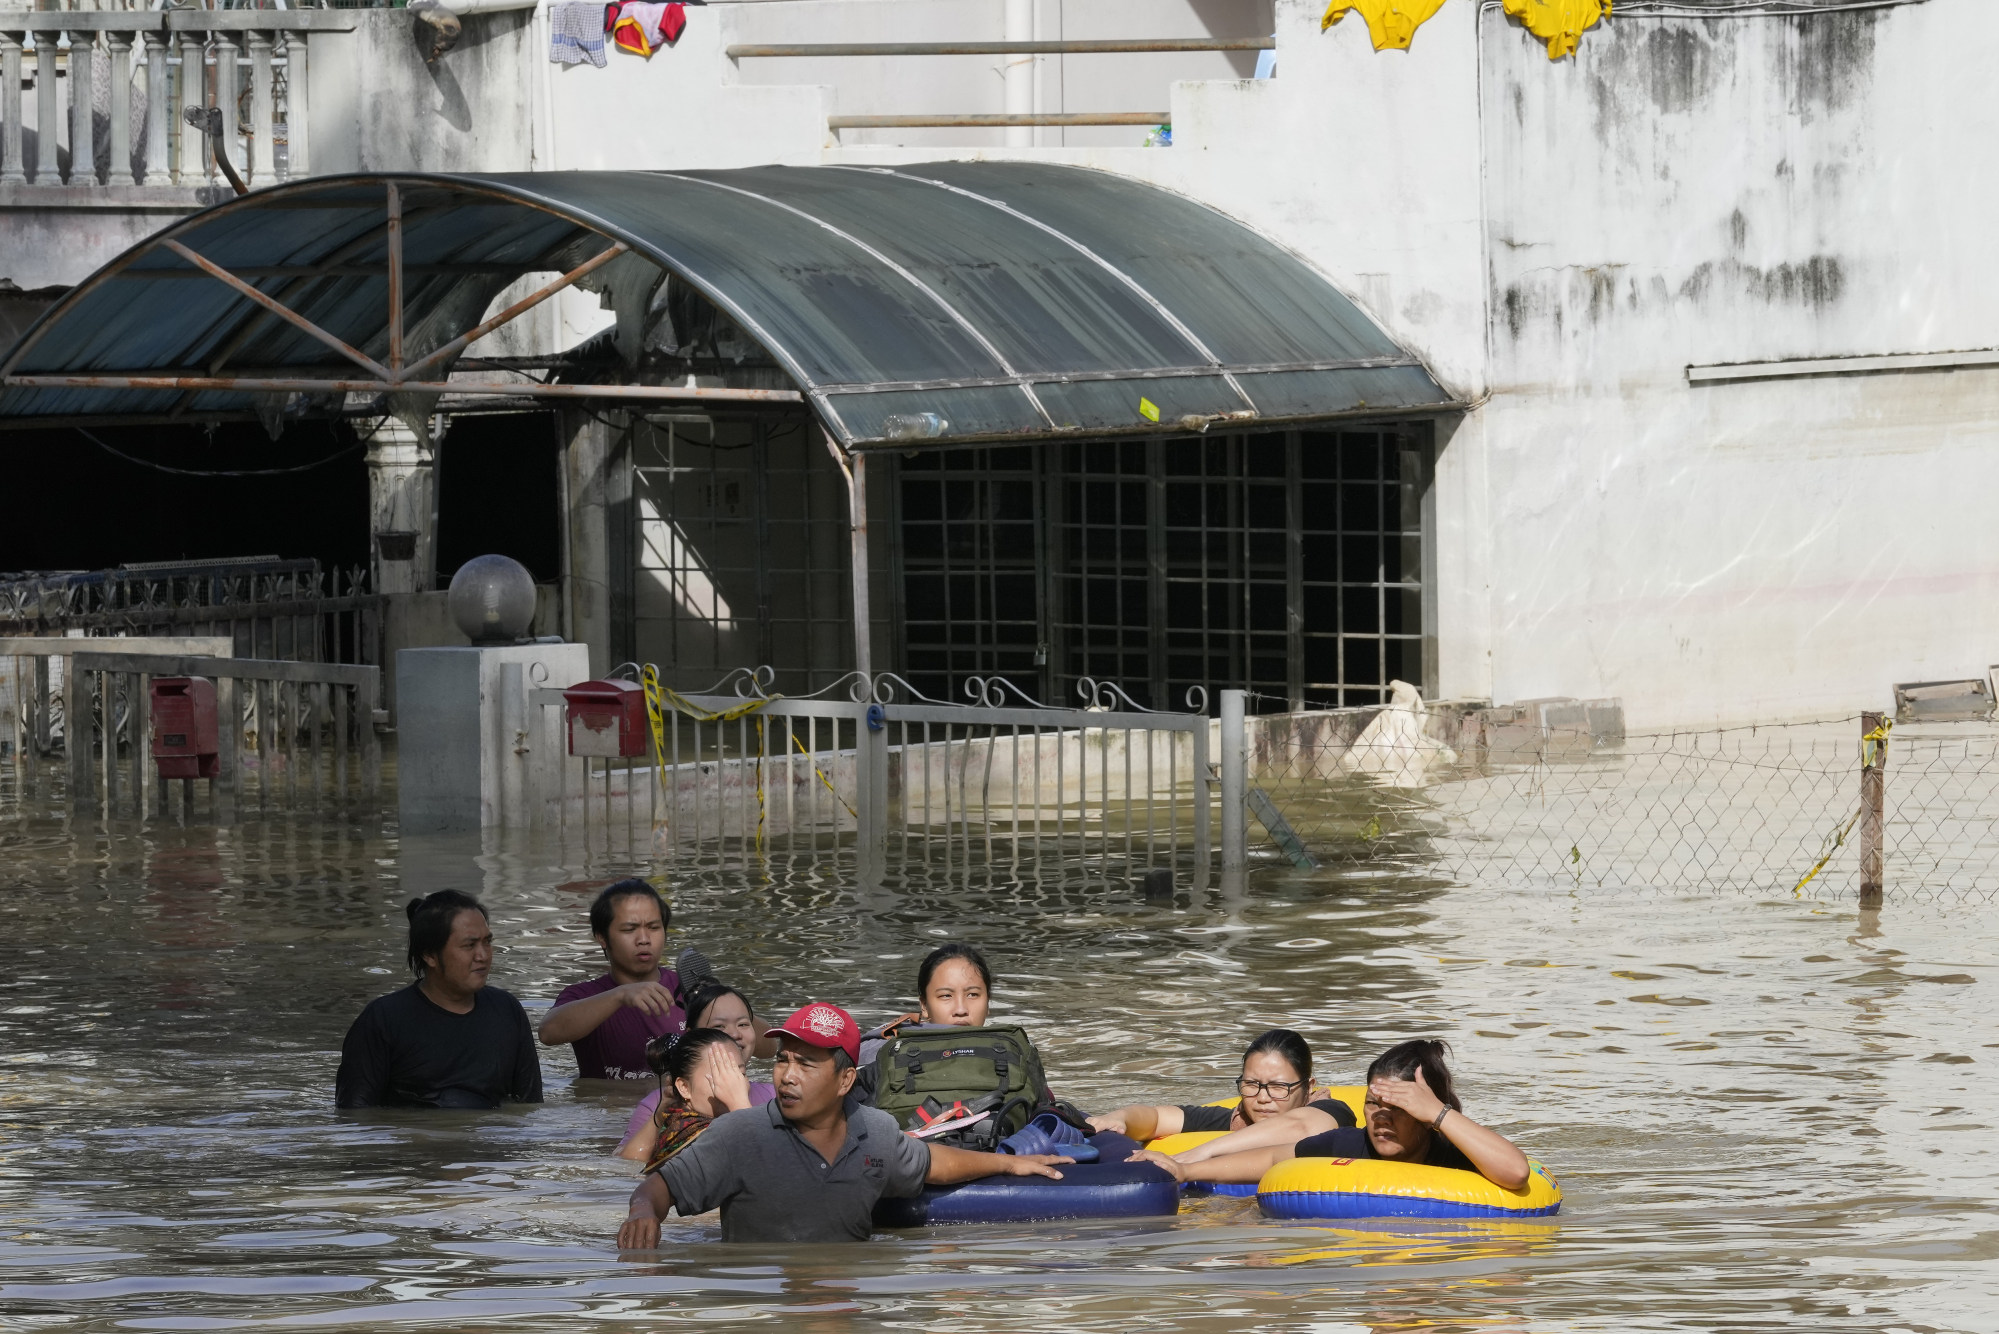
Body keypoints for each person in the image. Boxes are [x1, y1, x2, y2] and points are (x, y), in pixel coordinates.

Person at [616, 1002, 1073, 1246]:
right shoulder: (740, 1134)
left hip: (847, 1298)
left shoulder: (875, 1132)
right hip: (761, 1301)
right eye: (783, 1061)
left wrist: (1007, 1164)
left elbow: (933, 1161)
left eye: (806, 1064)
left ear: (845, 1080)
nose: (787, 1075)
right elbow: (658, 1188)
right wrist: (642, 1215)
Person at [1126, 1039, 1530, 1191]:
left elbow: (1516, 1173)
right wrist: (1184, 1170)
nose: (1381, 1118)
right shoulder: (1351, 1143)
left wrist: (1437, 1113)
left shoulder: (1454, 1151)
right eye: (1374, 1104)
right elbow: (1272, 1158)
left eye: (1398, 1108)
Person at [336, 890, 543, 1109]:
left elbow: (530, 1108)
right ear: (430, 955)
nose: (482, 955)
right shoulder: (383, 1019)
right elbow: (355, 1119)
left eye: (487, 942)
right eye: (469, 945)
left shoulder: (506, 1010)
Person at [1086, 1028, 1357, 1141]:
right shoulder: (1239, 1119)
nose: (1263, 1098)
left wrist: (1194, 1159)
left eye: (1278, 1087)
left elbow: (1300, 1128)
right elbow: (1157, 1118)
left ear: (1308, 1087)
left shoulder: (1335, 1111)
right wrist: (1117, 1118)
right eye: (1251, 1084)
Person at [537, 880, 687, 1081]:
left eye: (653, 927)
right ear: (602, 937)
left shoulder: (689, 988)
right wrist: (621, 995)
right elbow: (548, 1033)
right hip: (611, 1109)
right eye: (629, 929)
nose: (644, 938)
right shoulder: (584, 996)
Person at [618, 981, 777, 1160]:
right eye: (718, 1027)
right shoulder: (661, 1104)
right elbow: (628, 1166)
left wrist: (738, 1103)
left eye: (743, 1024)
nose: (734, 1034)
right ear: (683, 1087)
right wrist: (660, 1115)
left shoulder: (773, 1096)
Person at [850, 942, 996, 1105]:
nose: (961, 1009)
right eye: (946, 996)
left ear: (988, 1002)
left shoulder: (1013, 1054)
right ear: (924, 1006)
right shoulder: (883, 1052)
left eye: (973, 994)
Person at [627, 1029, 753, 1176]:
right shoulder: (701, 1137)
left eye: (741, 1074)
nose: (735, 1083)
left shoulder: (683, 1124)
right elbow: (768, 1163)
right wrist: (740, 1103)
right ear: (684, 1087)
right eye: (721, 1074)